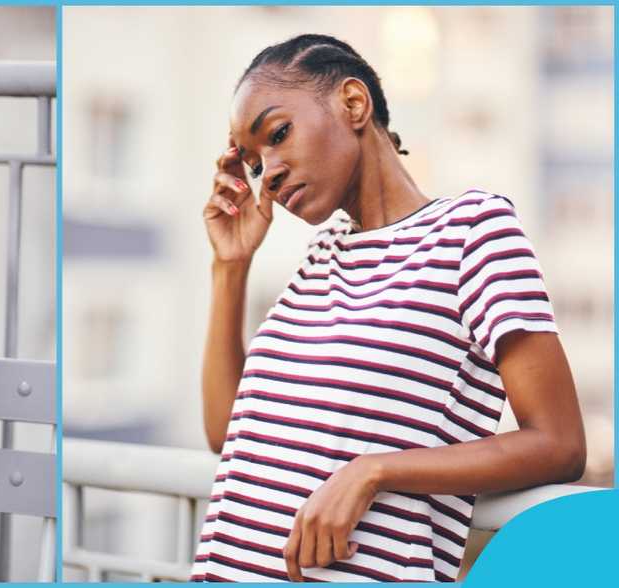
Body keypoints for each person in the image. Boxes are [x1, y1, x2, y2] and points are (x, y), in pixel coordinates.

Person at [190, 34, 586, 583]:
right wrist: (229, 265)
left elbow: (560, 444)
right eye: (256, 164)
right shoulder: (321, 259)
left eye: (279, 134)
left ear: (354, 103)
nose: (271, 175)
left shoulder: (472, 229)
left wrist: (373, 472)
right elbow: (227, 434)